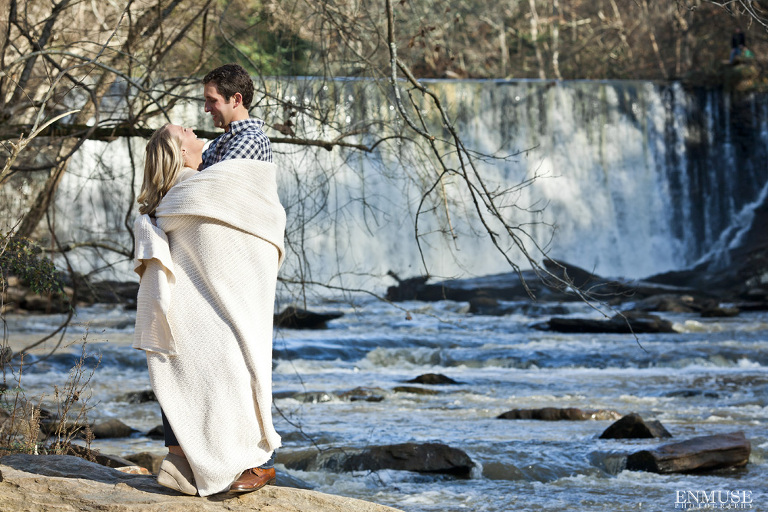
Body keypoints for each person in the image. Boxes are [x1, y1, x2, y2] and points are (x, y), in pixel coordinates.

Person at [133, 122, 286, 496]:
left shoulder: (168, 198)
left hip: (181, 306)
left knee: (181, 377)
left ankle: (180, 461)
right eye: (184, 130)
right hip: (211, 304)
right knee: (229, 375)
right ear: (182, 152)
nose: (193, 127)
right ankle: (232, 467)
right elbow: (261, 207)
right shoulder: (206, 186)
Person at [201, 63, 272, 168]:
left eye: (212, 100)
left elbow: (214, 182)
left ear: (236, 100)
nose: (206, 108)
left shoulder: (251, 140)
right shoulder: (221, 141)